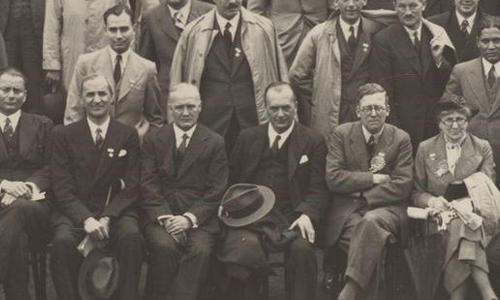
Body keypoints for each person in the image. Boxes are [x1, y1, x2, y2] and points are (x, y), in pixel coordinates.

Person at [222, 82, 329, 300]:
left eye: (286, 108)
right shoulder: (247, 137)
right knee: (245, 250)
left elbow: (319, 188)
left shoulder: (313, 140)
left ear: (296, 106)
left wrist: (307, 214)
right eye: (274, 108)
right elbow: (232, 181)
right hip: (252, 219)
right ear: (266, 108)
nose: (280, 114)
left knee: (302, 251)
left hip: (293, 216)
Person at [50, 74, 144, 300]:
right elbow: (61, 187)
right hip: (76, 211)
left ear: (112, 98)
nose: (97, 99)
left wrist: (108, 217)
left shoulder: (128, 134)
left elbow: (132, 184)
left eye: (102, 93)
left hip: (115, 210)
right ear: (81, 99)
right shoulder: (63, 134)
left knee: (131, 237)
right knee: (62, 242)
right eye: (90, 94)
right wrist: (86, 219)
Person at [324, 83, 413, 300]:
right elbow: (334, 178)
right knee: (373, 245)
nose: (373, 113)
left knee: (371, 223)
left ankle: (349, 292)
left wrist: (363, 195)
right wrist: (372, 178)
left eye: (379, 108)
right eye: (367, 109)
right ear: (358, 111)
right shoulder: (341, 134)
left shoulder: (401, 138)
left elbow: (403, 184)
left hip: (387, 211)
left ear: (387, 110)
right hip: (348, 213)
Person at [140, 83, 228, 300]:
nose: (186, 112)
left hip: (200, 219)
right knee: (164, 247)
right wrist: (167, 218)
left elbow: (216, 190)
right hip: (162, 216)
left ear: (200, 107)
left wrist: (189, 219)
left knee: (199, 251)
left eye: (191, 106)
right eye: (179, 107)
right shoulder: (154, 139)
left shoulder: (215, 142)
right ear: (170, 109)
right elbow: (147, 183)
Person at [170, 0, 288, 151]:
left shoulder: (263, 29)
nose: (232, 1)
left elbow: (280, 77)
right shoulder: (194, 32)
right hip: (210, 126)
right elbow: (177, 82)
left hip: (252, 123)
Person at [412, 95, 497, 300]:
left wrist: (466, 203)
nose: (455, 125)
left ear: (468, 122)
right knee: (462, 227)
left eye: (460, 119)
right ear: (439, 124)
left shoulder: (482, 147)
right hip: (437, 218)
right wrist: (432, 201)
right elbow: (416, 192)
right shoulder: (425, 148)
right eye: (448, 120)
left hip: (478, 214)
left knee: (463, 223)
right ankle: (488, 294)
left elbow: (487, 186)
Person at [64, 4, 164, 141]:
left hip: (131, 147)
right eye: (113, 30)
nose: (118, 36)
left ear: (134, 29)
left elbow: (155, 119)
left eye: (124, 29)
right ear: (105, 31)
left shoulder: (147, 68)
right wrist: (80, 145)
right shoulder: (86, 64)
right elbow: (73, 112)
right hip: (93, 144)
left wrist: (144, 142)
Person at [289, 0, 385, 137]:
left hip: (366, 111)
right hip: (332, 112)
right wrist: (321, 93)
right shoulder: (319, 33)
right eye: (345, 0)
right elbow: (296, 75)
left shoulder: (375, 29)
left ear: (364, 1)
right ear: (335, 3)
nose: (351, 4)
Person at [371, 0, 456, 151]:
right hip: (404, 124)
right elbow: (384, 89)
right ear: (395, 7)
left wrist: (438, 60)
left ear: (424, 5)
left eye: (413, 6)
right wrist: (394, 130)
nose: (408, 12)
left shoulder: (436, 33)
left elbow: (450, 83)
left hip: (435, 122)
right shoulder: (383, 39)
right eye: (402, 6)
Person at [0, 68, 53, 300]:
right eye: (5, 89)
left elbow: (53, 167)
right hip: (3, 205)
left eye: (16, 90)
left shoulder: (43, 124)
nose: (10, 95)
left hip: (34, 207)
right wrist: (4, 185)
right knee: (17, 240)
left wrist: (29, 187)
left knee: (20, 208)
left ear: (25, 96)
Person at [444, 15, 500, 182]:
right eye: (485, 41)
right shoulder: (461, 71)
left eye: (497, 40)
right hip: (472, 152)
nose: (491, 46)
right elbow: (446, 109)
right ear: (477, 42)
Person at [139, 0, 213, 111]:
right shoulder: (151, 17)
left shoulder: (209, 12)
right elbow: (146, 62)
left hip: (204, 92)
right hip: (167, 95)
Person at [43, 0, 130, 93]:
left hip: (105, 52)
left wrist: (127, 60)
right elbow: (51, 25)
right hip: (73, 53)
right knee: (75, 95)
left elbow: (127, 20)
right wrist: (53, 65)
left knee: (106, 94)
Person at [247, 0, 336, 67]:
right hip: (282, 42)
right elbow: (254, 14)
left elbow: (336, 9)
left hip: (319, 41)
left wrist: (328, 32)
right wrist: (268, 38)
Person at [0, 0, 45, 114]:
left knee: (34, 79)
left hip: (36, 28)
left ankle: (34, 122)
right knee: (6, 75)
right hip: (6, 27)